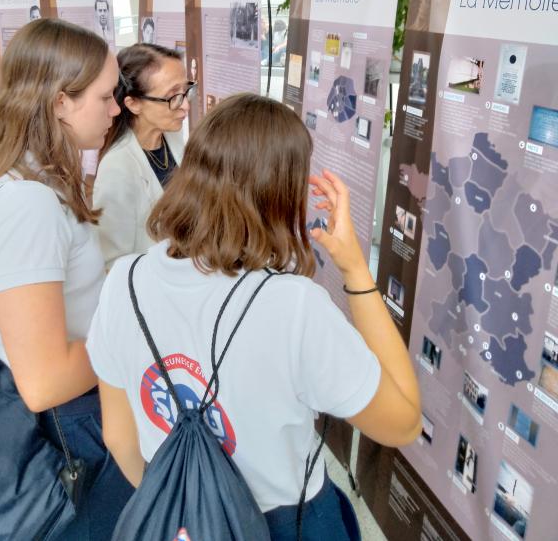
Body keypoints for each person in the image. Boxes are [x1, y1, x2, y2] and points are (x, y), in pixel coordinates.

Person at [87, 94, 421, 540]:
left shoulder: (124, 282)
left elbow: (120, 439)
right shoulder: (294, 306)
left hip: (169, 514)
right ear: (282, 194)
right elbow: (403, 422)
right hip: (286, 523)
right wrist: (356, 270)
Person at [0, 18, 133, 539]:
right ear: (60, 102)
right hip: (68, 430)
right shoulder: (27, 206)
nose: (116, 108)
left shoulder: (28, 184)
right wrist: (137, 334)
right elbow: (44, 381)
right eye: (105, 96)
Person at [93, 43, 194, 269]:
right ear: (134, 103)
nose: (185, 105)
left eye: (186, 91)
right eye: (173, 97)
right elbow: (112, 263)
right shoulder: (118, 168)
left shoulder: (173, 138)